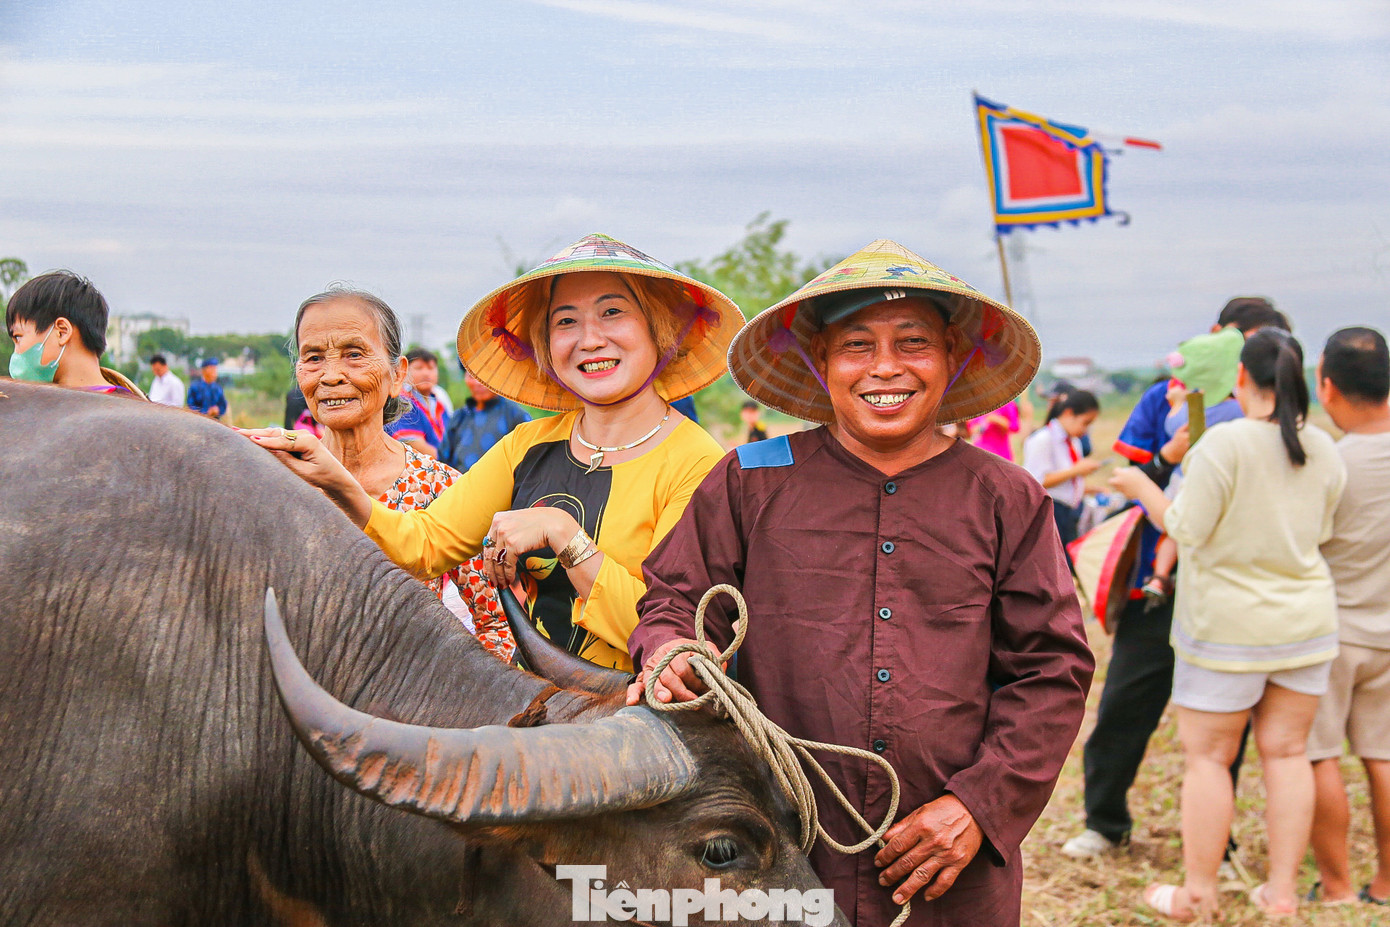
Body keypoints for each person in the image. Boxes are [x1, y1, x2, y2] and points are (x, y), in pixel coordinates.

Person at [628, 239, 1093, 927]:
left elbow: (1052, 670)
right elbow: (675, 596)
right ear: (821, 361)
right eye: (856, 345)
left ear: (951, 356)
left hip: (946, 864)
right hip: (779, 848)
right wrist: (668, 649)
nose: (885, 368)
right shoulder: (750, 479)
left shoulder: (1006, 497)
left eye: (913, 343)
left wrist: (977, 806)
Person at [242, 234, 740, 671]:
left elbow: (678, 636)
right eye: (565, 321)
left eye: (613, 312)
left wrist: (566, 538)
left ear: (659, 329)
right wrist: (334, 477)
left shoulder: (696, 461)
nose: (590, 339)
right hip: (537, 715)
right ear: (545, 346)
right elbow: (424, 545)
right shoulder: (528, 445)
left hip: (638, 727)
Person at [1109, 329, 1345, 919]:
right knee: (1288, 756)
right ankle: (1283, 894)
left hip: (1226, 629)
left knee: (1208, 761)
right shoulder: (1322, 447)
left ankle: (1197, 895)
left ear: (1241, 379)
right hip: (1306, 624)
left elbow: (1185, 529)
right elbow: (1322, 532)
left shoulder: (1224, 445)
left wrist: (1141, 487)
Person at [1061, 296, 1290, 863]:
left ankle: (1219, 838)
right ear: (1217, 337)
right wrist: (1169, 453)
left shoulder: (1274, 408)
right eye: (1243, 343)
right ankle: (1105, 822)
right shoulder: (1163, 397)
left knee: (1224, 722)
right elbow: (1127, 477)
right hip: (1155, 587)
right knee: (1123, 706)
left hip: (1232, 588)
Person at [281, 288, 465, 604]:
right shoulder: (277, 481)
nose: (331, 376)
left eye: (354, 354)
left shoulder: (442, 488)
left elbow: (496, 624)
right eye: (313, 358)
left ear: (397, 375)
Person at [1307, 327, 1390, 906]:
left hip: (1331, 635)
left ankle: (1336, 886)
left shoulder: (1330, 464)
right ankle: (1386, 883)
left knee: (1318, 756)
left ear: (1327, 386)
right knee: (1383, 756)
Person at [5, 270, 145, 397]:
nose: (16, 354)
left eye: (18, 337)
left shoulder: (133, 413)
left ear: (62, 332)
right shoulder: (34, 404)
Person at [1022, 390, 1100, 551]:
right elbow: (1036, 482)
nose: (1085, 430)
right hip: (1052, 512)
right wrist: (1076, 470)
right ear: (1069, 413)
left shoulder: (1073, 442)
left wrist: (1090, 489)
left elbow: (1065, 483)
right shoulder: (1042, 440)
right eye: (1085, 423)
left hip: (1070, 513)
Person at [439, 364, 531, 472]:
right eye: (472, 376)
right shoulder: (459, 417)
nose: (478, 382)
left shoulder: (516, 416)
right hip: (460, 486)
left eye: (485, 375)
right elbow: (443, 461)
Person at [404, 348, 450, 446]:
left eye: (430, 368)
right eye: (419, 368)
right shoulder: (403, 402)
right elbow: (416, 446)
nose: (426, 373)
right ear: (404, 371)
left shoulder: (440, 400)